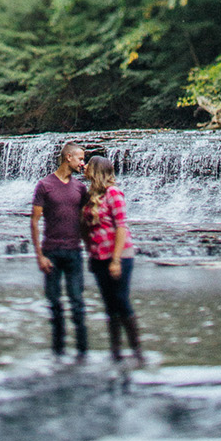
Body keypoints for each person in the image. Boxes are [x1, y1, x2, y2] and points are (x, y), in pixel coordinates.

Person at [30, 140, 90, 358]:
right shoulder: (44, 185)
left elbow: (85, 220)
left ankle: (83, 355)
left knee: (77, 305)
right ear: (69, 157)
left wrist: (91, 249)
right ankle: (58, 355)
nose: (83, 163)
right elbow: (35, 221)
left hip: (74, 252)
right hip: (51, 253)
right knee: (55, 306)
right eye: (81, 159)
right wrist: (39, 256)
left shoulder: (80, 188)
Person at [82, 154, 143, 365]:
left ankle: (137, 353)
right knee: (109, 305)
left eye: (88, 164)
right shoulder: (91, 195)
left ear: (97, 170)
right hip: (99, 256)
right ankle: (116, 353)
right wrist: (91, 252)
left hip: (119, 256)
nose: (84, 167)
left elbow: (121, 227)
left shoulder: (114, 193)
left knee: (121, 301)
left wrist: (115, 260)